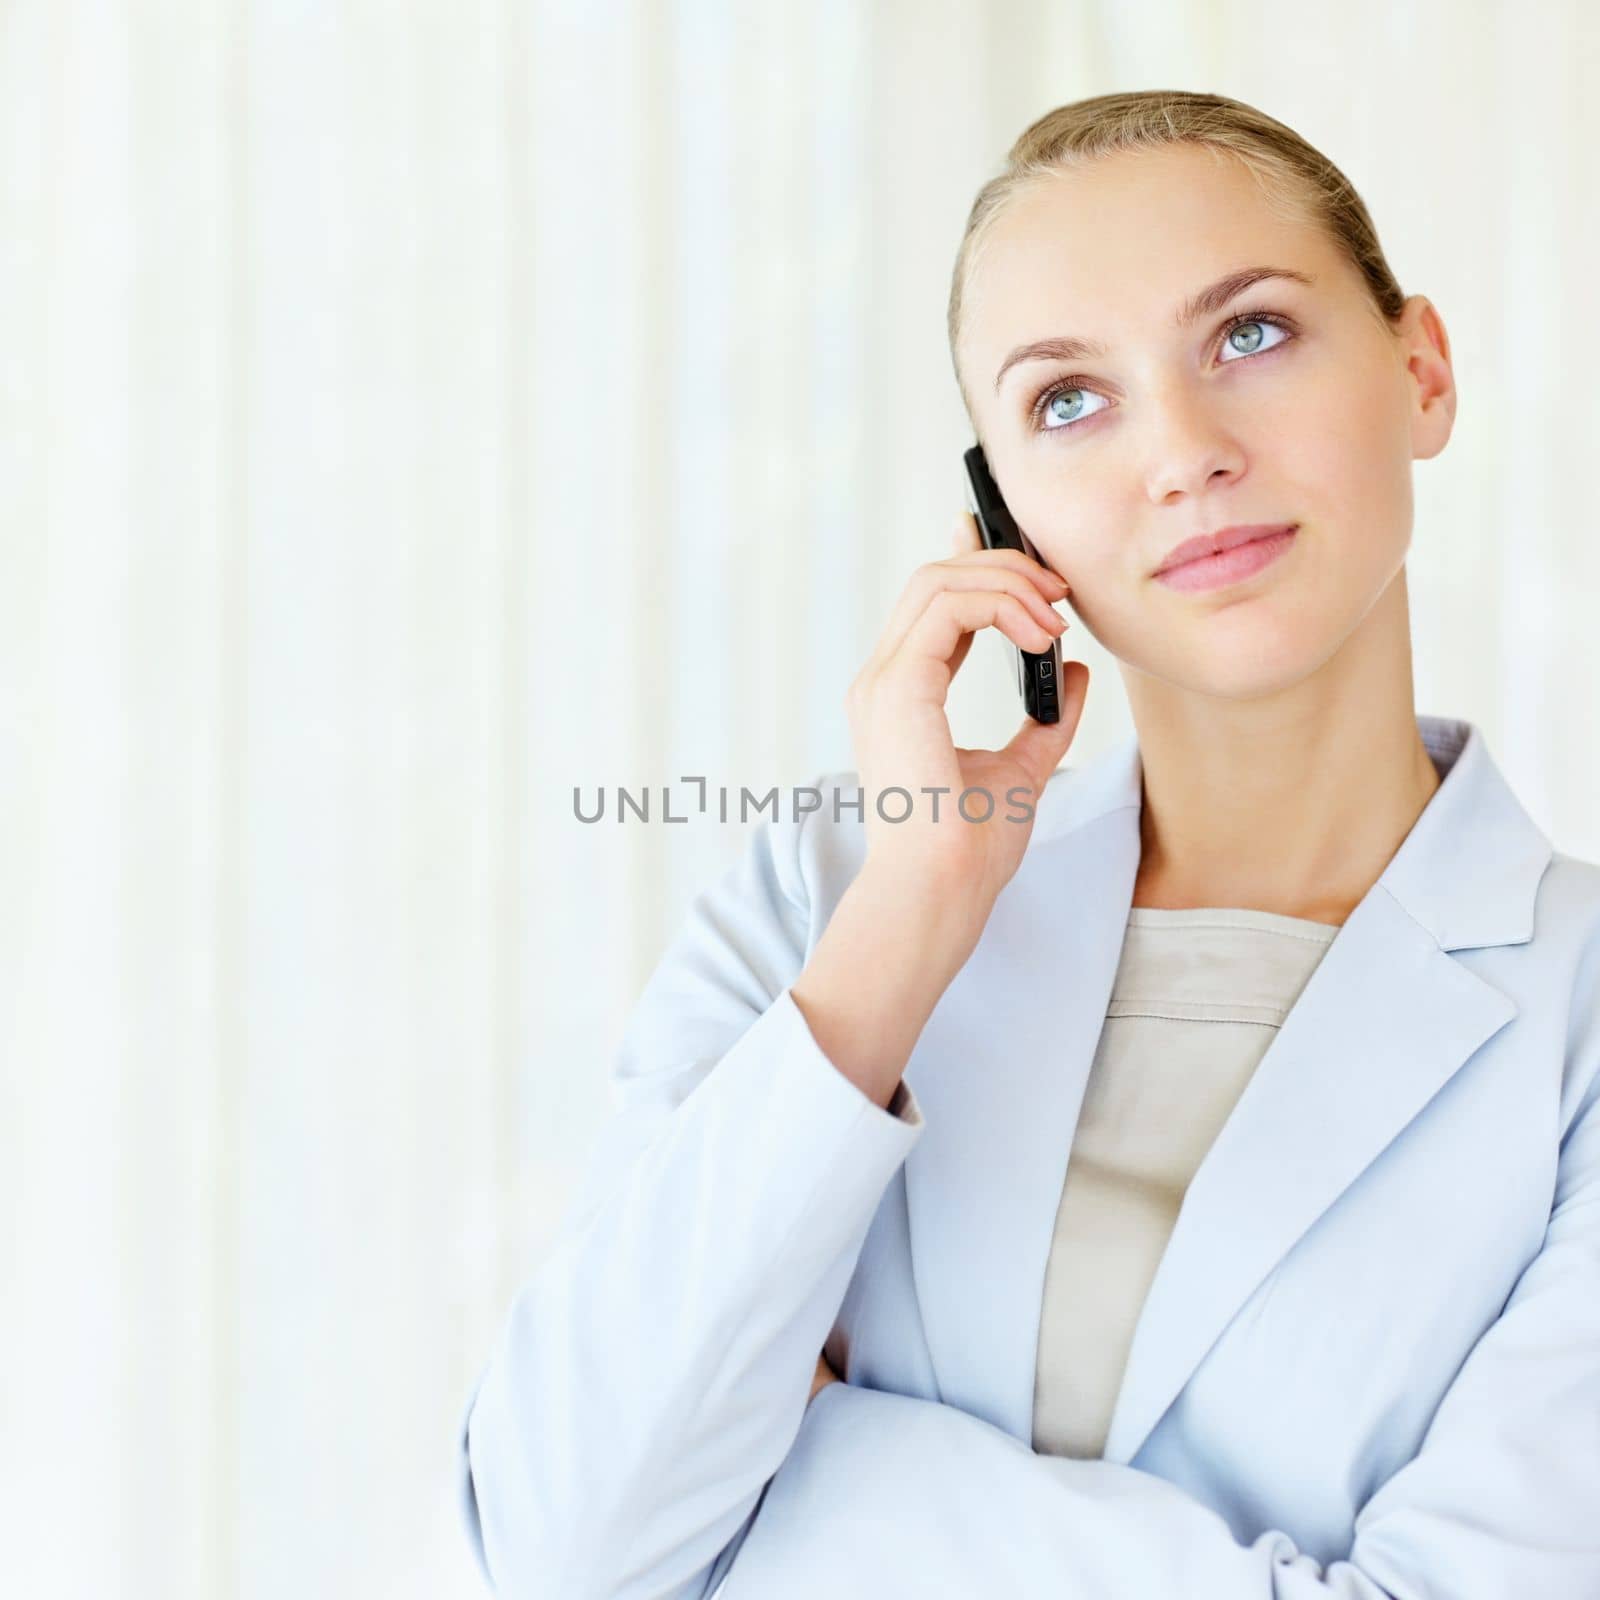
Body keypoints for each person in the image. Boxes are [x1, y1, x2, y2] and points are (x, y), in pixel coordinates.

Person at [455, 89, 1600, 1597]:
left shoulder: (1575, 1012)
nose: (1183, 454)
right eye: (1069, 400)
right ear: (1003, 524)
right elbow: (566, 1544)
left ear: (1422, 371)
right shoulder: (825, 906)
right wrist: (915, 914)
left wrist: (782, 1481)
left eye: (1250, 334)